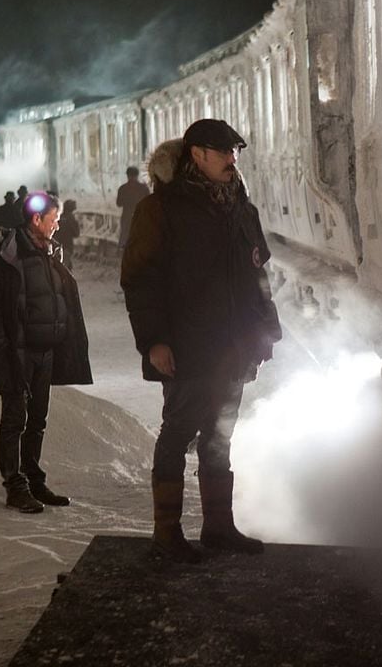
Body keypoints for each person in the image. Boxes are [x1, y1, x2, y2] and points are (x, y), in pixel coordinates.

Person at [121, 119, 282, 562]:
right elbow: (140, 281)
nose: (233, 159)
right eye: (223, 151)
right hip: (187, 346)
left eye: (235, 151)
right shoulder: (161, 210)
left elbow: (257, 276)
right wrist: (154, 340)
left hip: (233, 346)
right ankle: (167, 535)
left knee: (219, 437)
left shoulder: (240, 208)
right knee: (178, 432)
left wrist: (266, 330)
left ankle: (218, 527)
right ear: (197, 155)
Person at [0, 191, 93, 513]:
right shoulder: (4, 257)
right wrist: (1, 353)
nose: (58, 224)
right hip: (16, 354)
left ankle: (34, 480)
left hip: (45, 352)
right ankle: (15, 486)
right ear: (36, 219)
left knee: (37, 420)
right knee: (15, 420)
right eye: (54, 219)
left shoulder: (50, 253)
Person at [116, 166, 149, 249]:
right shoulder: (144, 188)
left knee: (126, 238)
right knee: (140, 239)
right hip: (141, 217)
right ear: (137, 175)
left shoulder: (122, 188)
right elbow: (149, 203)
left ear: (127, 175)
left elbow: (118, 203)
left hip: (127, 217)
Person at [54, 199, 81, 271]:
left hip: (57, 244)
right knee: (65, 267)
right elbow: (76, 233)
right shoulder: (71, 218)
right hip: (67, 245)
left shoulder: (59, 217)